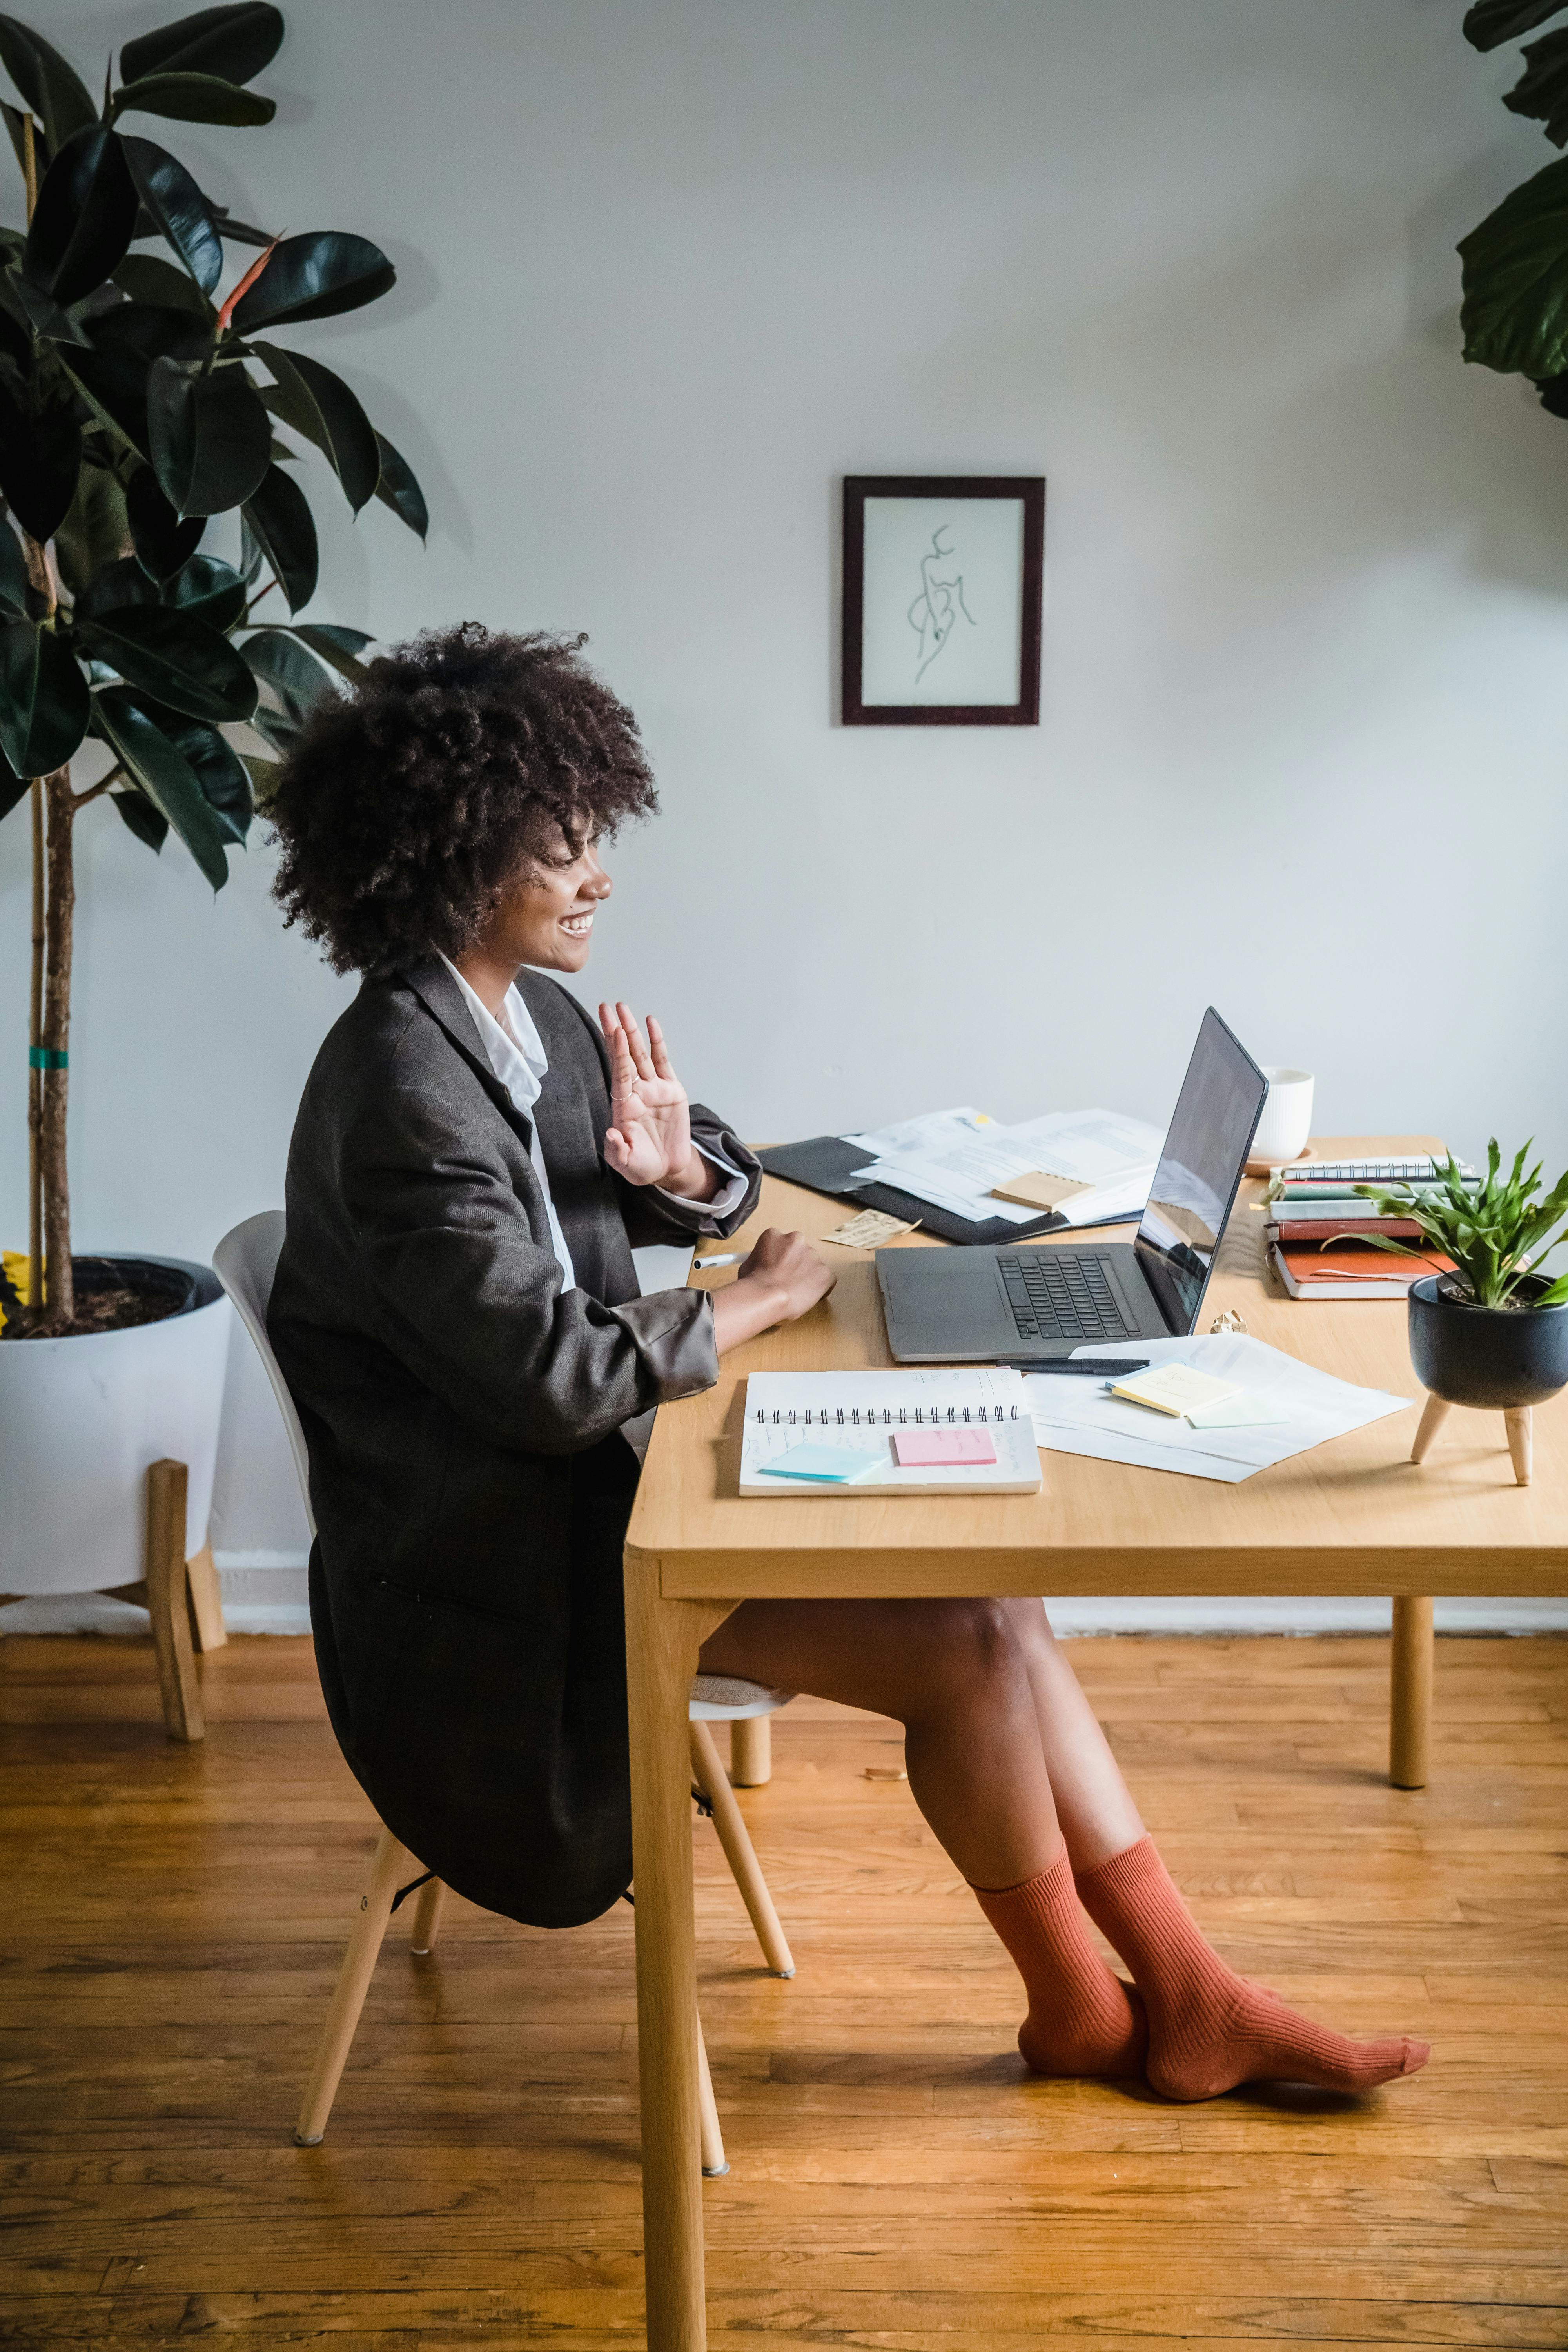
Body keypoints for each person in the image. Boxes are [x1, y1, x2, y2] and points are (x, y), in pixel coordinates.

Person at [267, 622, 1429, 2102]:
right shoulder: (400, 1088)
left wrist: (683, 1175)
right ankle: (1111, 2002)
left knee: (992, 1589)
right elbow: (544, 1373)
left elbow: (656, 1188)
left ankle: (1171, 1993)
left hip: (594, 1491)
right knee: (966, 1644)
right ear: (459, 861)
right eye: (567, 849)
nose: (601, 875)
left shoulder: (516, 1018)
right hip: (511, 1574)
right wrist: (745, 1306)